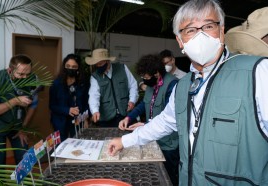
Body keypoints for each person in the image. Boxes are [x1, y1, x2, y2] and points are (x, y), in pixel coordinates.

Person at [108, 0, 268, 185]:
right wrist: (124, 141)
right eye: (190, 30)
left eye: (208, 26)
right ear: (180, 41)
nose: (200, 35)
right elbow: (164, 123)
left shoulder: (258, 72)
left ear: (222, 32)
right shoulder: (182, 86)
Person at [118, 54, 179, 185]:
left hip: (168, 144)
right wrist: (129, 117)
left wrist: (145, 124)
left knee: (168, 177)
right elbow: (143, 104)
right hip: (151, 139)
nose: (144, 80)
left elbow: (169, 118)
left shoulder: (172, 85)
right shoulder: (152, 84)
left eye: (146, 77)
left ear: (156, 73)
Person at [0, 54, 38, 164]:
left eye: (28, 74)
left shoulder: (32, 79)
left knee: (24, 160)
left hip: (17, 126)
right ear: (10, 70)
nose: (25, 77)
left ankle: (24, 181)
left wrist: (23, 128)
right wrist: (15, 101)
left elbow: (33, 105)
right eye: (21, 74)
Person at [86, 48, 138, 127]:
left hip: (126, 114)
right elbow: (93, 95)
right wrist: (95, 111)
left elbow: (133, 85)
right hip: (107, 119)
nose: (98, 65)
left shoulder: (122, 68)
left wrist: (132, 100)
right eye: (97, 64)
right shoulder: (95, 77)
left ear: (108, 61)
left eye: (101, 63)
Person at [49, 54, 89, 142]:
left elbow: (85, 103)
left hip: (78, 122)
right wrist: (67, 110)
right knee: (62, 147)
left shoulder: (82, 83)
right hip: (60, 122)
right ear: (64, 67)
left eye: (74, 67)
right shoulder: (56, 84)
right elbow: (52, 106)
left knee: (77, 146)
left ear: (78, 68)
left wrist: (86, 119)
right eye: (68, 66)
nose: (71, 69)